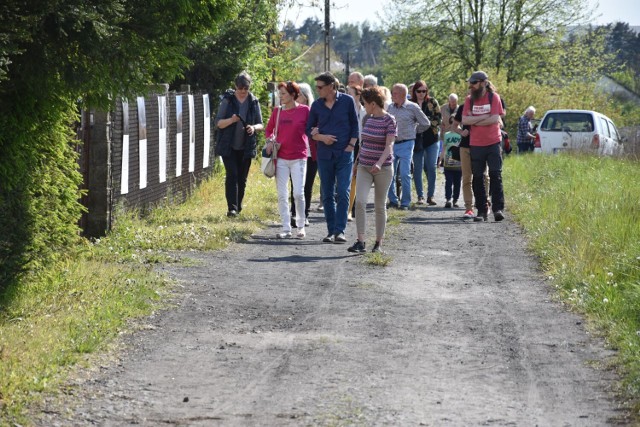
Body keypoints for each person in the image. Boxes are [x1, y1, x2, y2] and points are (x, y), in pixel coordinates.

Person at [306, 72, 359, 243]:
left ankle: (340, 230)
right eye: (317, 87)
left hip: (344, 153)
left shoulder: (347, 101)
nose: (318, 90)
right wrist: (321, 137)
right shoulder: (316, 105)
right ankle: (331, 231)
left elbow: (355, 125)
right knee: (327, 193)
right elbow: (308, 129)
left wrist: (350, 146)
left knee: (343, 191)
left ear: (331, 87)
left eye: (320, 87)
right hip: (324, 155)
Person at [348, 86, 396, 254]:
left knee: (379, 205)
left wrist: (379, 163)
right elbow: (364, 143)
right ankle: (360, 241)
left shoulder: (389, 120)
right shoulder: (367, 119)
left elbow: (389, 145)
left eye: (365, 103)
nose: (364, 106)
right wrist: (356, 163)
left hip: (383, 169)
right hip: (364, 167)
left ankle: (378, 243)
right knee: (360, 201)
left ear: (373, 104)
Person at [214, 72, 263, 217]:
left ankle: (238, 206)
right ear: (235, 86)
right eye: (240, 88)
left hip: (246, 146)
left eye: (245, 89)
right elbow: (218, 123)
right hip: (228, 146)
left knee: (242, 178)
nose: (242, 92)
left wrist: (253, 128)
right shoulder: (227, 101)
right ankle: (232, 208)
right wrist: (231, 120)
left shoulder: (254, 101)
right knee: (232, 175)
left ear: (249, 87)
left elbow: (261, 124)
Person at [264, 82, 310, 239]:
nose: (280, 97)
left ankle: (301, 226)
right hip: (281, 157)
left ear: (292, 95)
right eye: (280, 94)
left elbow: (312, 129)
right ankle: (285, 227)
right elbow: (269, 130)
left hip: (299, 157)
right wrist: (270, 140)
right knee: (282, 194)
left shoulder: (305, 111)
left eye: (283, 94)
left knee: (298, 193)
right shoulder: (277, 112)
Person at [461, 71, 506, 222]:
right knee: (478, 178)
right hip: (476, 144)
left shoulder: (494, 97)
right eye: (471, 83)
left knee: (495, 175)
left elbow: (495, 118)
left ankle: (497, 209)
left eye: (474, 83)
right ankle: (481, 210)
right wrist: (484, 118)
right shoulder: (469, 100)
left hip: (493, 141)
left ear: (483, 83)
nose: (471, 86)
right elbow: (465, 120)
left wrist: (475, 120)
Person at [387, 83, 431, 210]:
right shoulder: (390, 107)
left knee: (405, 173)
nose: (392, 95)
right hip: (392, 144)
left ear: (402, 94)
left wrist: (414, 132)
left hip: (407, 143)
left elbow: (426, 123)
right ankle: (393, 200)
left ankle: (405, 202)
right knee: (390, 173)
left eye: (394, 93)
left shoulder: (413, 107)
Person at [290, 83, 317, 226]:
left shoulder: (314, 112)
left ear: (306, 97)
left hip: (311, 154)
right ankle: (294, 214)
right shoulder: (290, 111)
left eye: (299, 95)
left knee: (307, 185)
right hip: (293, 154)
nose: (296, 97)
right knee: (295, 186)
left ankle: (304, 214)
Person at [410, 81, 441, 206]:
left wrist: (424, 123)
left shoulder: (432, 102)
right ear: (415, 92)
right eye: (419, 91)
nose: (421, 93)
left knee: (431, 167)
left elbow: (438, 118)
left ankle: (431, 195)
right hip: (416, 140)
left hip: (431, 139)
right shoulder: (410, 104)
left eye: (424, 91)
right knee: (417, 168)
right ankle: (420, 196)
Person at [347, 84, 366, 222]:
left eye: (350, 93)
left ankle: (354, 209)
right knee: (349, 178)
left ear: (358, 95)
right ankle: (348, 209)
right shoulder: (345, 110)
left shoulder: (364, 112)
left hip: (361, 144)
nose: (347, 95)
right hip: (348, 143)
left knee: (357, 178)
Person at [440, 118, 463, 208]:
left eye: (457, 122)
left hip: (459, 162)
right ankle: (448, 199)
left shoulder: (462, 135)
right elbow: (444, 148)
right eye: (453, 122)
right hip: (448, 161)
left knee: (457, 182)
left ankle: (455, 200)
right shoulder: (446, 135)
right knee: (448, 181)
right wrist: (440, 160)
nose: (455, 124)